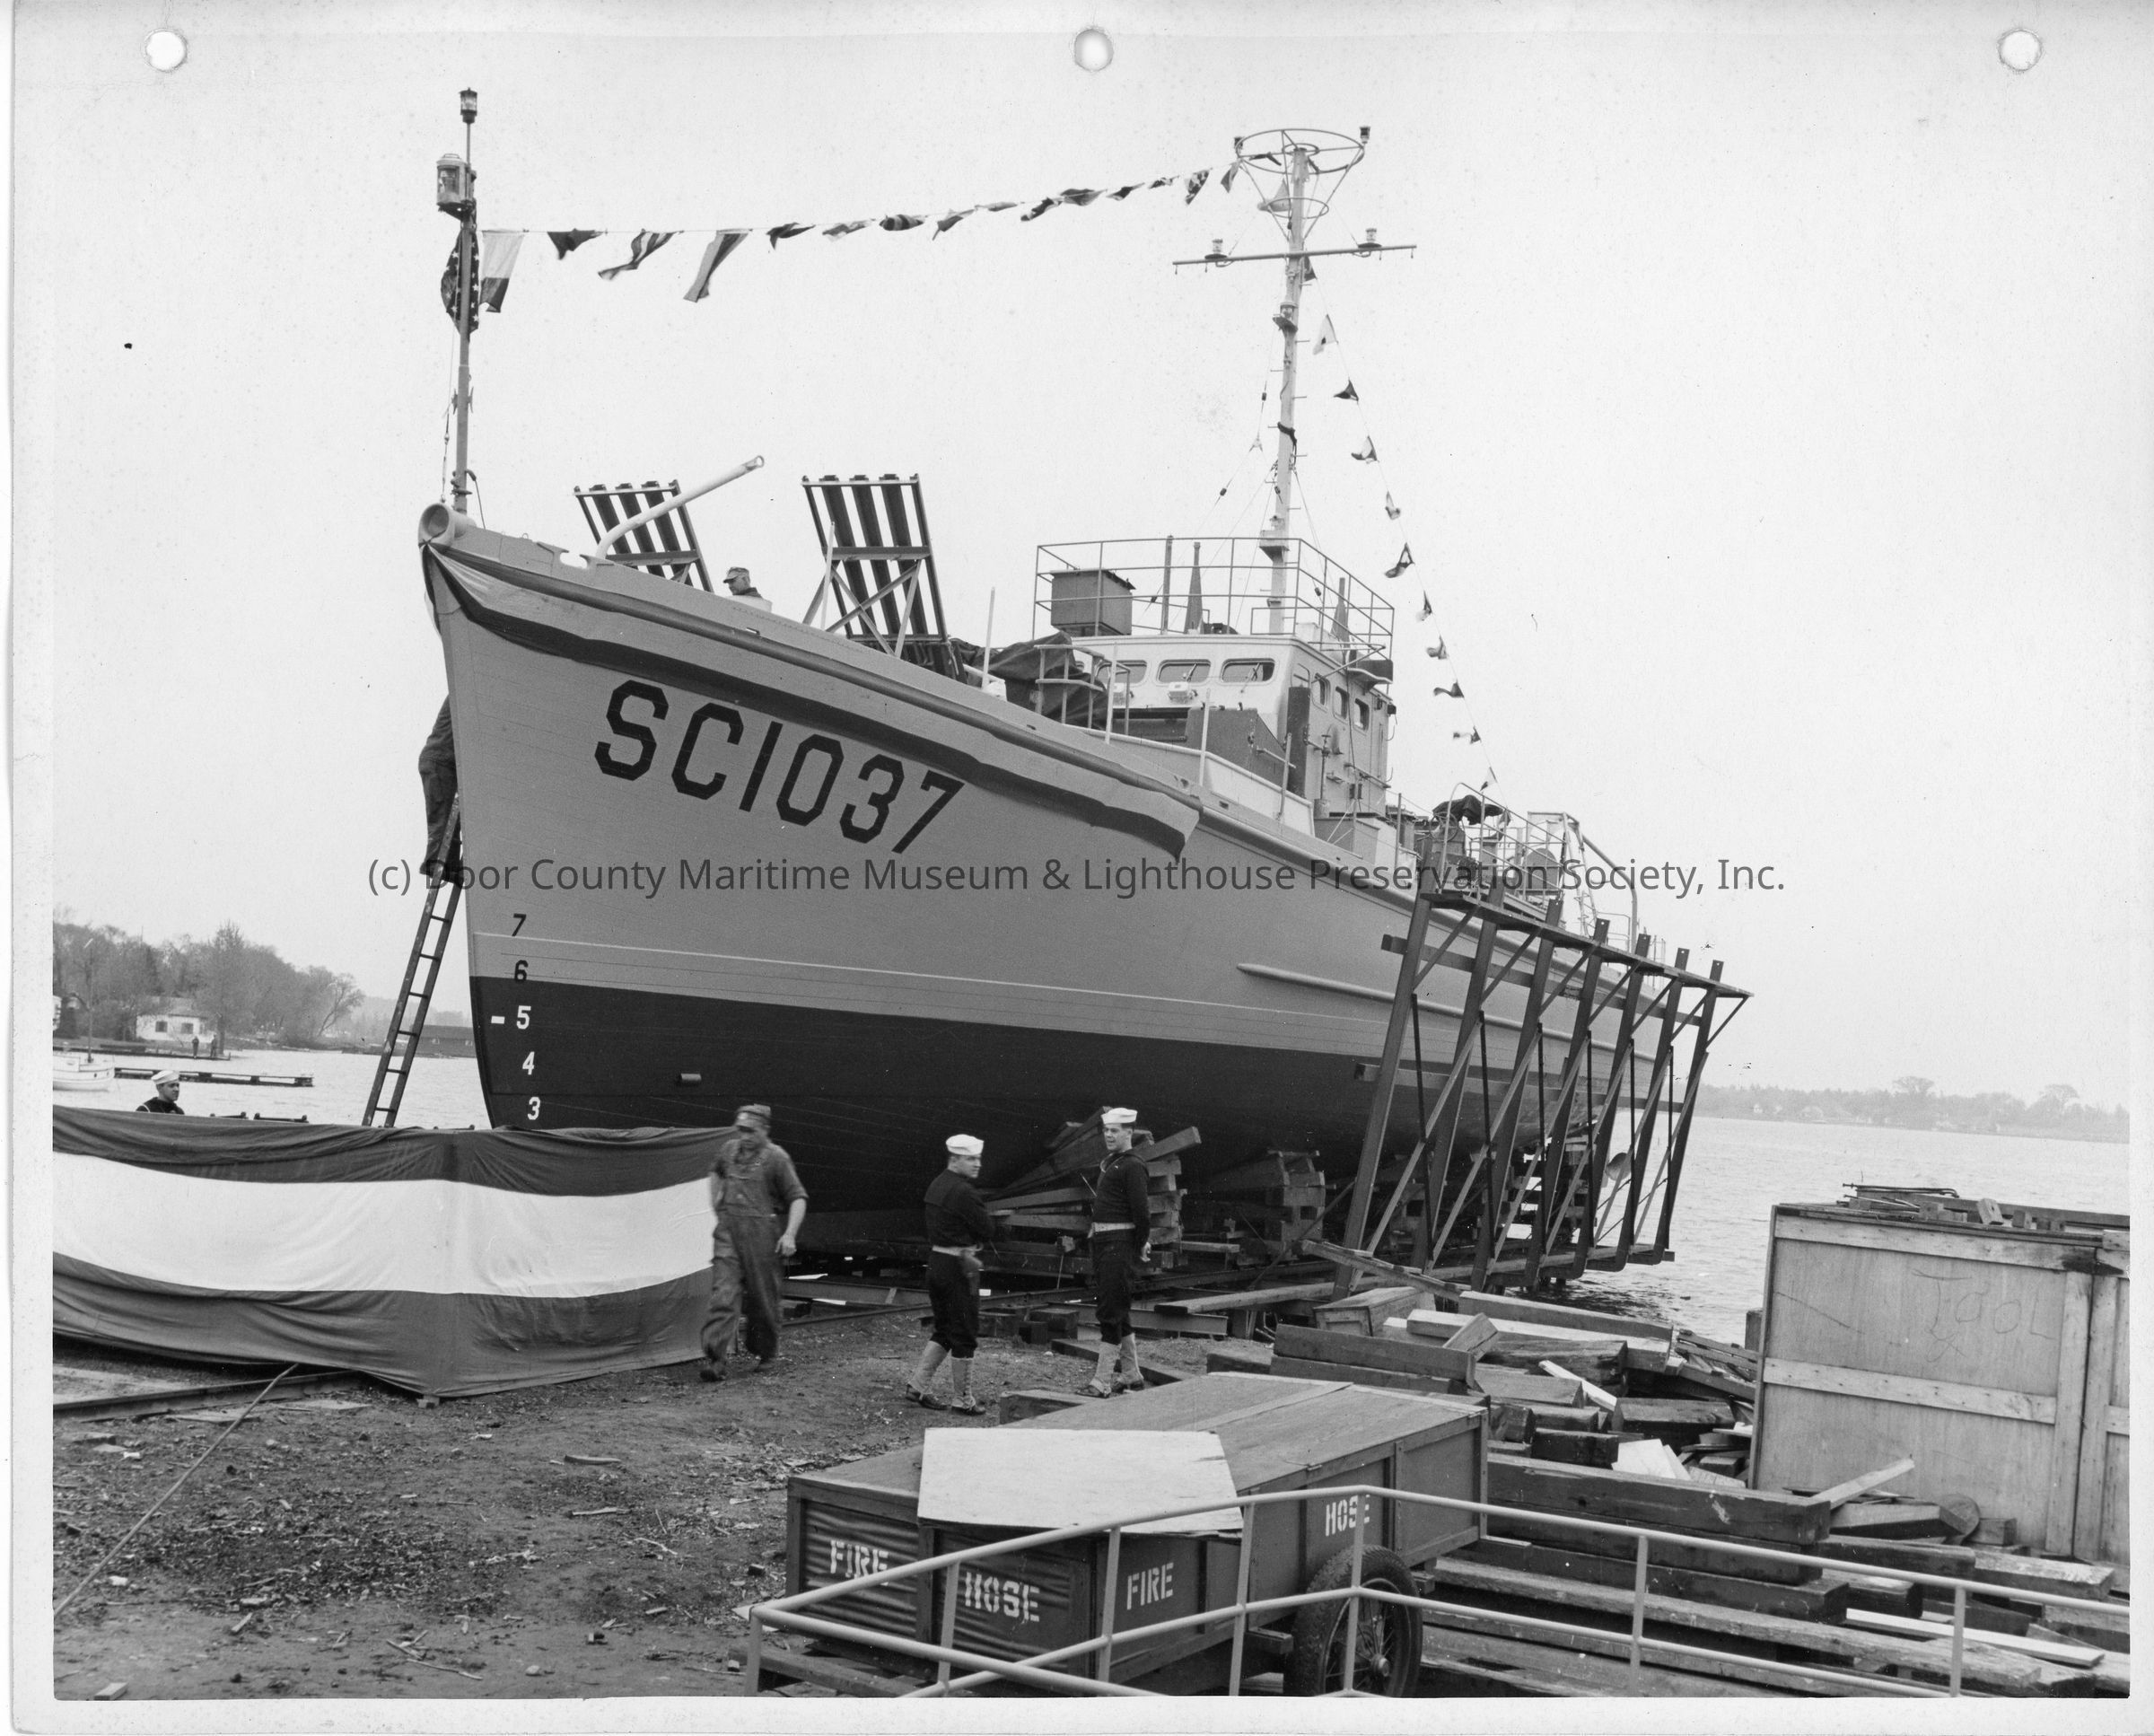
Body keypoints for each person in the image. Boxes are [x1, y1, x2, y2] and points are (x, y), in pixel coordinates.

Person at [700, 1104, 807, 1383]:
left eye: (751, 1131)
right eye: (741, 1130)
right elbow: (715, 1171)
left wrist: (790, 1234)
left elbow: (797, 1197)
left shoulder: (777, 1158)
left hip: (762, 1237)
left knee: (763, 1299)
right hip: (728, 1233)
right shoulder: (728, 1151)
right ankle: (715, 1359)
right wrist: (716, 1202)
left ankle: (766, 1353)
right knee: (723, 1294)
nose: (745, 1136)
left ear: (765, 1130)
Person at [906, 1135, 997, 1415]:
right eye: (971, 1159)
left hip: (937, 1262)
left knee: (944, 1328)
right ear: (955, 1159)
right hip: (959, 1267)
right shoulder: (964, 1191)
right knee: (965, 1332)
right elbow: (987, 1230)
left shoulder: (937, 1184)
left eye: (978, 1158)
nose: (977, 1164)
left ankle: (917, 1386)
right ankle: (963, 1399)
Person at [1085, 1108, 1151, 1398]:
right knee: (1118, 1309)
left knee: (1110, 1311)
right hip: (1106, 1242)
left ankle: (1101, 1382)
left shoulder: (1132, 1166)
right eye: (1106, 1131)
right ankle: (1131, 1375)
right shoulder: (1114, 1164)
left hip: (1118, 1245)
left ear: (1129, 1133)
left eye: (1115, 1131)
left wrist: (1139, 1243)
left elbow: (1142, 1213)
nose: (1109, 1136)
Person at [417, 698, 460, 882]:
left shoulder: (462, 692)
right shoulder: (461, 692)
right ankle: (434, 863)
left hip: (443, 762)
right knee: (442, 816)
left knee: (452, 818)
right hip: (439, 762)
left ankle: (449, 867)